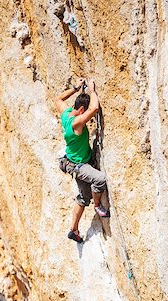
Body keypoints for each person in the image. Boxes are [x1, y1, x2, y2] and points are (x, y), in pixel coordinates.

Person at [55, 78, 110, 243]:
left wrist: (75, 88)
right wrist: (92, 91)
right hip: (80, 165)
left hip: (72, 161)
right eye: (83, 113)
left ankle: (73, 229)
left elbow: (58, 99)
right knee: (99, 179)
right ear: (80, 109)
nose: (87, 118)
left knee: (83, 197)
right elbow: (94, 108)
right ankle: (98, 206)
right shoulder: (77, 123)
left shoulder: (66, 114)